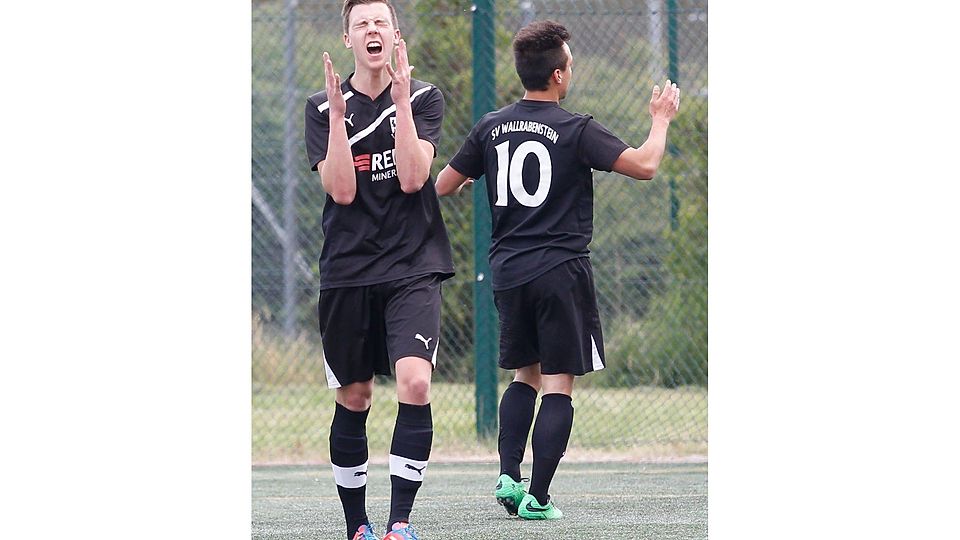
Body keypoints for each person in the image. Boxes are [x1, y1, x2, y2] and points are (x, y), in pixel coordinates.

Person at [435, 19, 680, 520]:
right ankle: (539, 498)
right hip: (560, 271)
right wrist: (660, 120)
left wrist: (470, 179)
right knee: (558, 382)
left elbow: (442, 184)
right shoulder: (576, 128)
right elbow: (646, 165)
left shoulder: (490, 126)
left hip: (508, 272)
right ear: (559, 75)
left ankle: (508, 474)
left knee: (523, 375)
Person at [303, 1, 454, 539]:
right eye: (361, 24)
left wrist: (401, 107)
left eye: (380, 23)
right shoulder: (322, 107)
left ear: (395, 35)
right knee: (356, 395)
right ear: (347, 38)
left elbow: (415, 178)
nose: (372, 31)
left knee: (415, 382)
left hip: (413, 265)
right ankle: (358, 527)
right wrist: (342, 120)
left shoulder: (423, 96)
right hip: (348, 269)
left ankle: (399, 523)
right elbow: (342, 190)